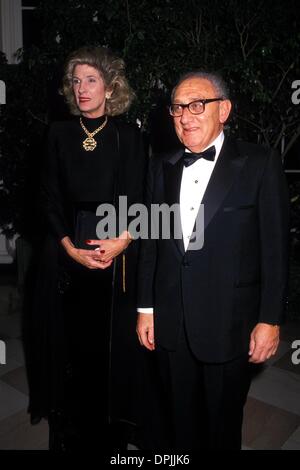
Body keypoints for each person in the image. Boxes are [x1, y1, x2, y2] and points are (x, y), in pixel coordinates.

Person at [136, 71, 289, 450]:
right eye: (177, 108)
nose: (185, 116)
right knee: (178, 425)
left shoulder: (260, 162)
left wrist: (269, 319)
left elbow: (275, 249)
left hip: (229, 323)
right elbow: (153, 243)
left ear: (225, 110)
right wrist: (145, 307)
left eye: (197, 105)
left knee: (221, 428)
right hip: (171, 322)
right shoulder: (162, 165)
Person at [25, 46, 146, 451]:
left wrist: (122, 241)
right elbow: (47, 197)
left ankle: (111, 432)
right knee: (66, 347)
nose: (81, 88)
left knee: (110, 347)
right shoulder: (58, 133)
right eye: (75, 81)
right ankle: (68, 431)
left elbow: (141, 198)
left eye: (91, 80)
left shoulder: (128, 136)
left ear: (111, 88)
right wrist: (68, 248)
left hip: (115, 252)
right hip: (64, 251)